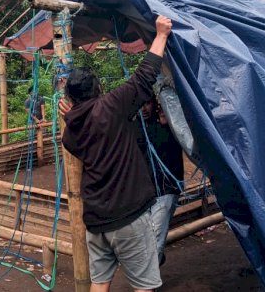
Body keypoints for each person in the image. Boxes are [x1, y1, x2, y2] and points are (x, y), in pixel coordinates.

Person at [61, 15, 172, 292]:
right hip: (128, 216)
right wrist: (160, 35)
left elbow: (83, 128)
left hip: (96, 219)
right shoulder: (110, 107)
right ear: (98, 89)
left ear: (71, 99)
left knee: (99, 282)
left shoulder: (70, 132)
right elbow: (145, 76)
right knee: (144, 285)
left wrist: (70, 117)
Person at [139, 96, 185, 267]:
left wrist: (171, 121)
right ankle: (156, 263)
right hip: (144, 193)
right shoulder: (136, 128)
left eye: (147, 103)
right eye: (140, 104)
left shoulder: (169, 124)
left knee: (154, 239)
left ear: (155, 104)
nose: (143, 108)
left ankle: (148, 282)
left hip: (166, 190)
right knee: (145, 239)